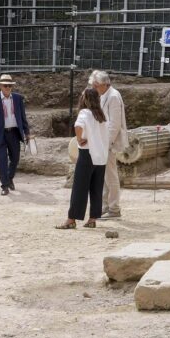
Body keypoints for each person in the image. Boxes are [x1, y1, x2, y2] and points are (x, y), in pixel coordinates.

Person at [61, 87, 108, 229]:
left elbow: (78, 126)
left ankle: (71, 219)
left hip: (87, 154)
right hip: (101, 155)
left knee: (79, 188)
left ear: (85, 99)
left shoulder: (85, 113)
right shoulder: (101, 115)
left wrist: (79, 139)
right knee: (96, 188)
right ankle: (92, 219)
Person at [0, 74, 30, 195]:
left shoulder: (17, 98)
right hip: (0, 133)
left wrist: (27, 132)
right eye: (5, 85)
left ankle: (9, 177)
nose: (8, 88)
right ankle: (4, 186)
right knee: (2, 160)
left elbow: (22, 116)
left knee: (15, 158)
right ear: (0, 86)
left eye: (10, 86)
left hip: (14, 132)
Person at [93, 69, 128, 219]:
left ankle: (114, 208)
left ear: (103, 84)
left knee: (111, 176)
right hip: (102, 141)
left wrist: (107, 143)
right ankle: (105, 206)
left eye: (96, 85)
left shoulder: (113, 96)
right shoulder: (105, 95)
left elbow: (115, 123)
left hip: (108, 142)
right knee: (105, 176)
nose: (94, 88)